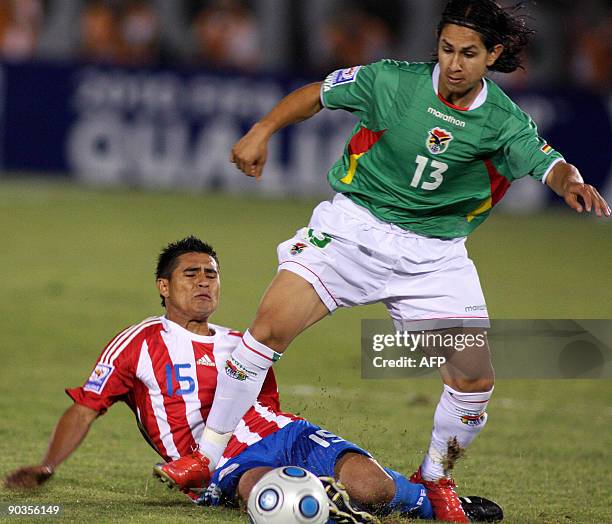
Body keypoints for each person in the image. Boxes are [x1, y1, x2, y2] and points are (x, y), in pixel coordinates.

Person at [157, 1, 611, 522]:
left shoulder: (503, 121)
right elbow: (318, 95)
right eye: (446, 49)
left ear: (493, 55)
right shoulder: (393, 82)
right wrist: (262, 129)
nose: (454, 64)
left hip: (434, 256)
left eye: (468, 54)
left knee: (473, 380)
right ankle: (205, 460)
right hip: (354, 229)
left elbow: (549, 162)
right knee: (267, 328)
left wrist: (571, 182)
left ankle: (435, 479)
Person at [2, 236, 501, 522]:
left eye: (211, 274)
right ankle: (327, 508)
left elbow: (270, 405)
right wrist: (48, 465)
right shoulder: (138, 342)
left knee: (373, 488)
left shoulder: (244, 341)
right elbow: (86, 405)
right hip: (220, 466)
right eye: (190, 273)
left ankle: (424, 501)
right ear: (163, 286)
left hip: (284, 434)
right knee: (273, 502)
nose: (203, 281)